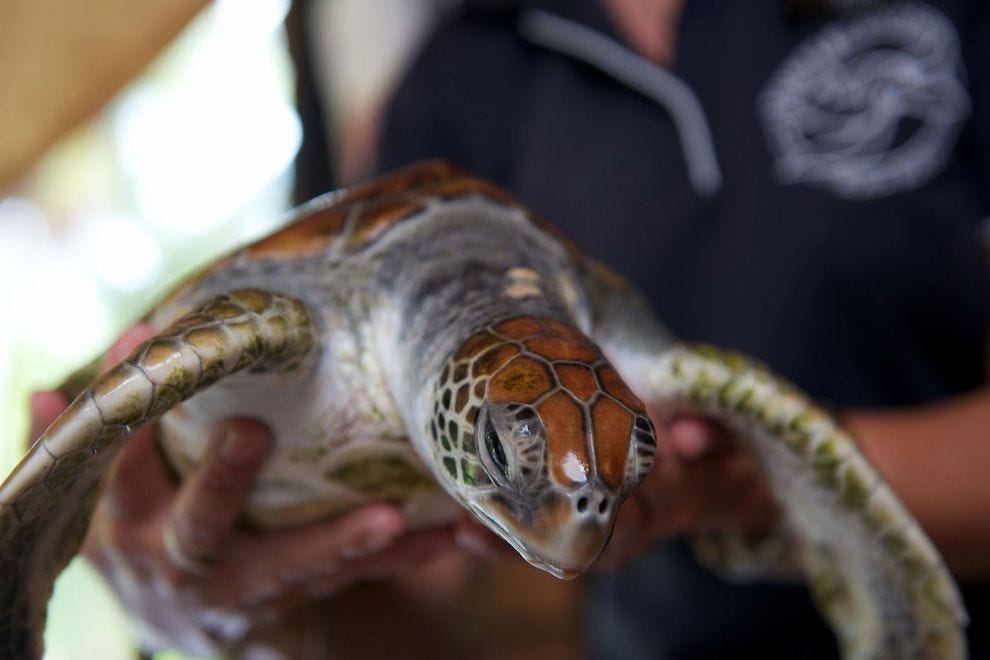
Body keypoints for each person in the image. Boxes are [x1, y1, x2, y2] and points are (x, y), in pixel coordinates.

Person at [29, 0, 990, 657]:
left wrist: (753, 487)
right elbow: (417, 604)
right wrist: (238, 619)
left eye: (621, 461)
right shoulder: (459, 79)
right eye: (508, 450)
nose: (579, 509)